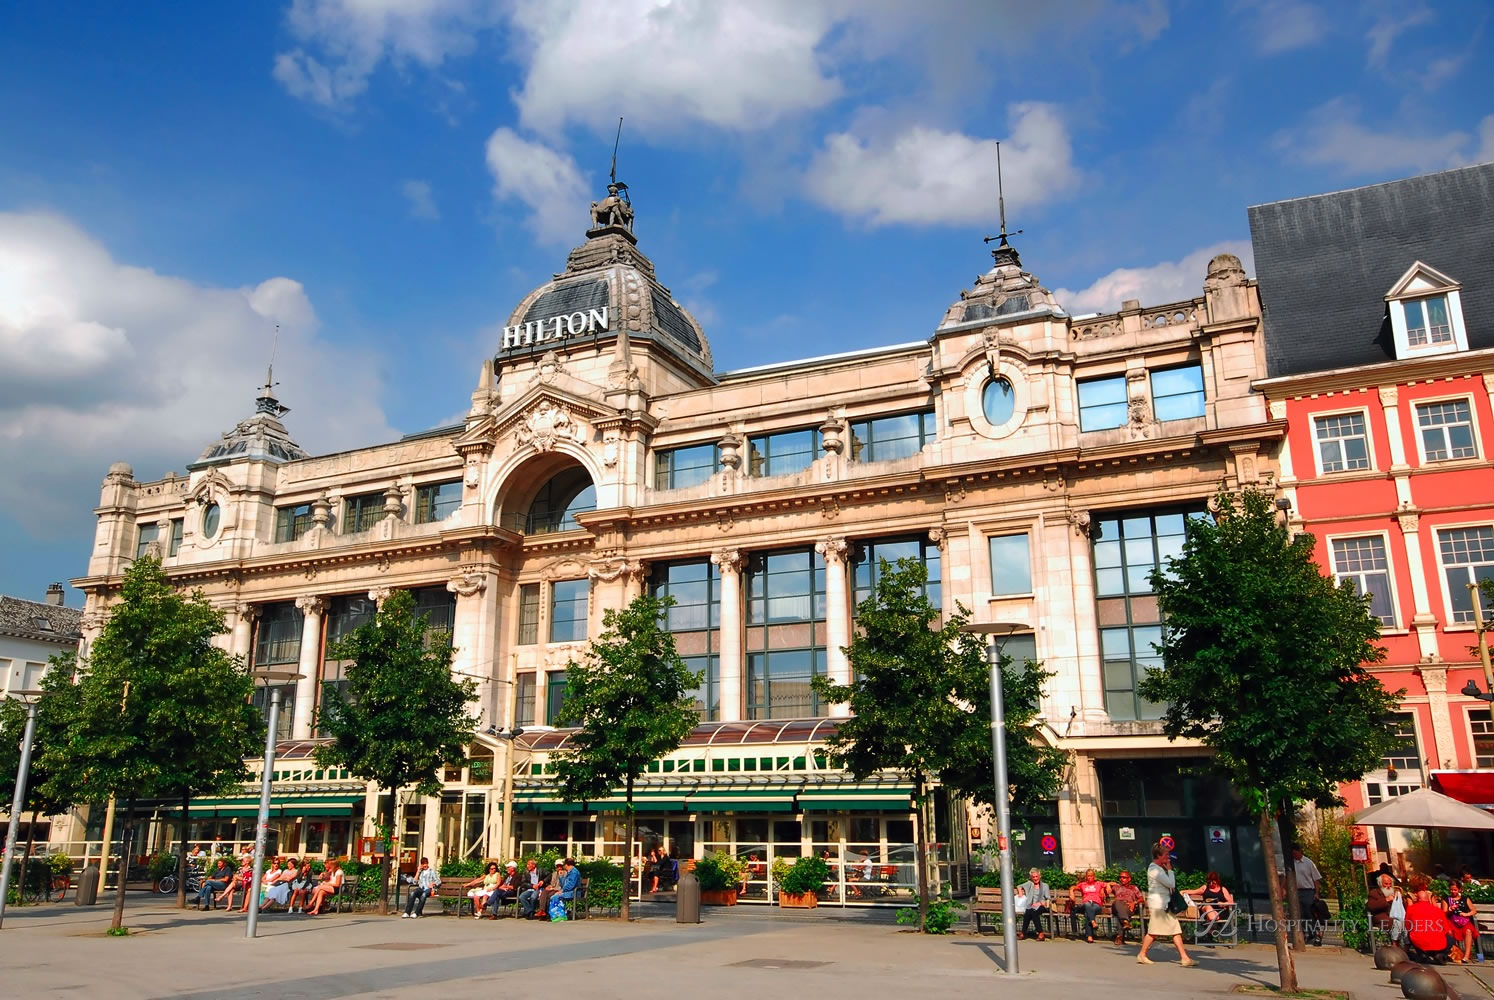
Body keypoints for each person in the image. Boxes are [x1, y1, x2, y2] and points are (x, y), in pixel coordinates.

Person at [1138, 842, 1196, 967]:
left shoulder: (1159, 869)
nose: (1168, 857)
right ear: (1158, 856)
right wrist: (1170, 871)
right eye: (1165, 855)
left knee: (1175, 930)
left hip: (1164, 904)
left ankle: (1184, 958)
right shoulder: (1154, 870)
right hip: (1159, 905)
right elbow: (1171, 884)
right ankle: (1142, 954)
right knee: (1153, 931)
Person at [1405, 875, 1454, 963]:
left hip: (1430, 920)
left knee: (1413, 933)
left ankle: (1428, 954)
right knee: (1448, 937)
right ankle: (1437, 954)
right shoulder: (1410, 895)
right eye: (1424, 884)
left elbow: (1435, 907)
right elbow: (1410, 909)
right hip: (1420, 921)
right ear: (1418, 885)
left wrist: (1429, 900)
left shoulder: (1430, 894)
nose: (1426, 886)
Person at [1185, 871, 1234, 941]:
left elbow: (1231, 902)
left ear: (1217, 881)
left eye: (1213, 882)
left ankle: (1209, 934)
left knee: (1212, 916)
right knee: (1208, 907)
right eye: (1209, 882)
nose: (1211, 884)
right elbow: (1193, 891)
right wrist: (1182, 892)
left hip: (1219, 911)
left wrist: (1223, 903)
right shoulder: (1205, 888)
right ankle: (1211, 933)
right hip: (1206, 909)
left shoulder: (1223, 889)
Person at [1291, 845, 1323, 946]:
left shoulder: (1308, 863)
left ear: (1300, 852)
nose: (1294, 855)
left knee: (1310, 914)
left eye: (1295, 853)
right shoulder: (1292, 863)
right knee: (1300, 914)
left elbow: (1316, 879)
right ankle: (1306, 933)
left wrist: (1317, 893)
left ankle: (1317, 933)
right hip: (1297, 892)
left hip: (1308, 891)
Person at [1071, 868, 1109, 943]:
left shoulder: (1099, 884)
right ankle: (1093, 922)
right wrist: (1071, 892)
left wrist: (1107, 886)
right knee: (1087, 904)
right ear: (1086, 876)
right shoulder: (1083, 885)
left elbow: (1113, 883)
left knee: (1087, 912)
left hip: (1096, 906)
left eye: (1091, 876)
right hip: (1085, 905)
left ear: (1094, 876)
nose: (1089, 877)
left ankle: (1089, 936)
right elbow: (1073, 887)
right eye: (1088, 876)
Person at [1367, 871, 1404, 945]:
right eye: (1386, 884)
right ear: (1380, 884)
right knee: (1396, 922)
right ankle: (1395, 944)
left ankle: (1406, 946)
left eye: (1390, 884)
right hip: (1382, 918)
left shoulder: (1394, 892)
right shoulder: (1374, 893)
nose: (1388, 886)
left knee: (1406, 923)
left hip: (1396, 916)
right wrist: (1386, 900)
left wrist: (1399, 898)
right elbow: (1371, 906)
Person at [1445, 879, 1478, 963]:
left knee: (1468, 930)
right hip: (1451, 920)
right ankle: (1454, 954)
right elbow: (1443, 913)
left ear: (1459, 890)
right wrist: (1449, 910)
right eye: (1451, 889)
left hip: (1463, 921)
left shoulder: (1465, 898)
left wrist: (1466, 914)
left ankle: (1466, 956)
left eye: (1455, 890)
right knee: (1449, 930)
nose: (1453, 891)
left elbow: (1474, 910)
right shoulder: (1446, 899)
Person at [1111, 870, 1146, 946]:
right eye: (1120, 877)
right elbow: (1105, 885)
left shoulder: (1133, 888)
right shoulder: (1116, 887)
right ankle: (1126, 922)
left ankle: (1119, 936)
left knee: (1120, 913)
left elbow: (1141, 899)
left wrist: (1134, 903)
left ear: (1129, 879)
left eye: (1124, 877)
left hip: (1128, 908)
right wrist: (1107, 886)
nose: (1121, 879)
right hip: (1116, 907)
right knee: (1118, 902)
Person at [1018, 868, 1052, 941]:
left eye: (1037, 876)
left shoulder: (1045, 886)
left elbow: (1048, 898)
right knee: (1029, 911)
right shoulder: (1029, 884)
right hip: (1031, 905)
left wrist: (1039, 903)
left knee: (1033, 911)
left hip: (1042, 905)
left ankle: (1035, 933)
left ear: (1040, 876)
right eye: (1033, 877)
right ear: (1031, 877)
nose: (1035, 878)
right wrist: (1020, 892)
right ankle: (1039, 933)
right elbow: (1019, 886)